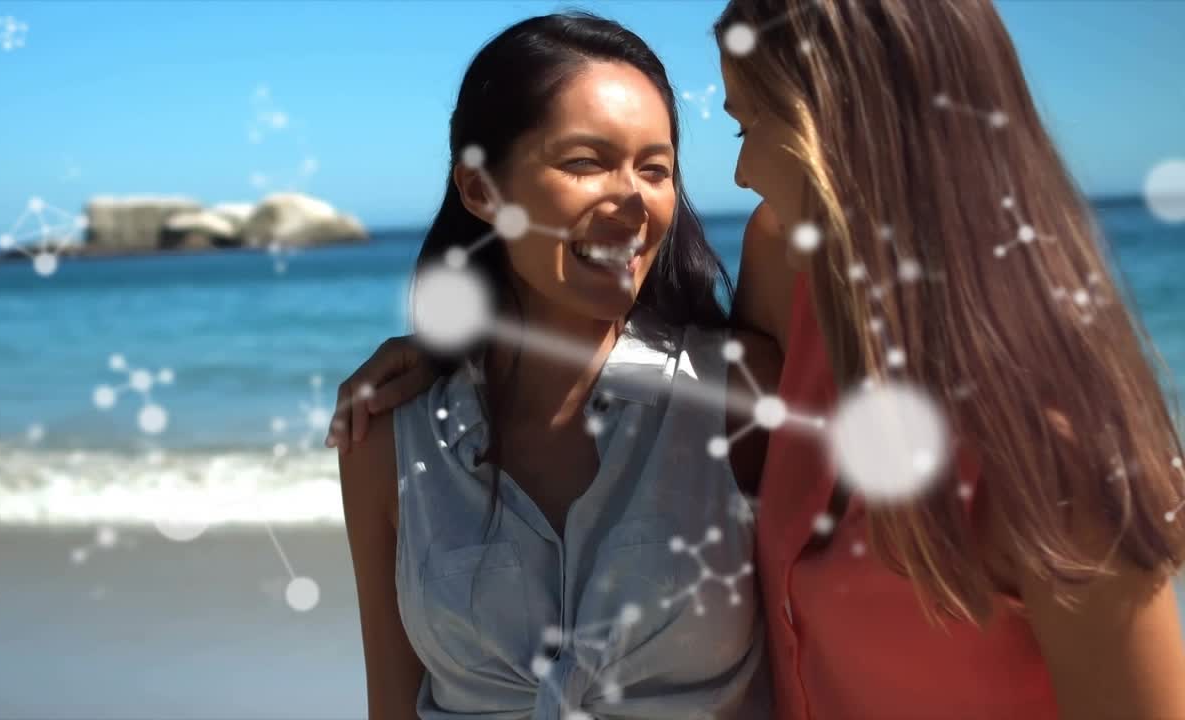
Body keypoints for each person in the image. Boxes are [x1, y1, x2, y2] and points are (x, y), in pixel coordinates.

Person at [333, 1, 1185, 718]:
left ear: (841, 131)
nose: (737, 174)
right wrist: (444, 348)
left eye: (746, 127)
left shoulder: (1056, 456)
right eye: (587, 161)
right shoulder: (797, 293)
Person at [335, 12, 779, 719]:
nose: (633, 199)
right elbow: (390, 702)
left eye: (656, 169)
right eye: (585, 162)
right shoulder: (389, 438)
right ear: (480, 190)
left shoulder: (737, 395)